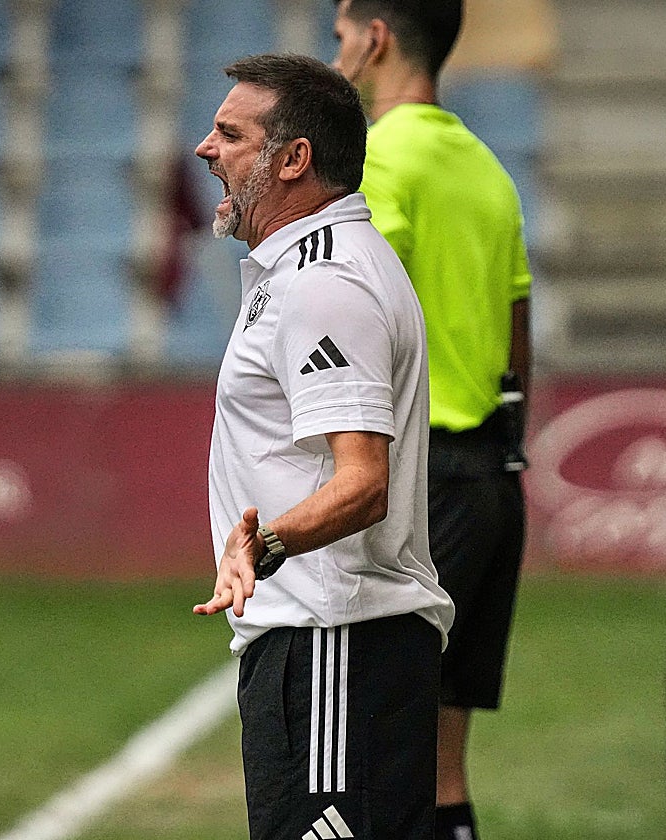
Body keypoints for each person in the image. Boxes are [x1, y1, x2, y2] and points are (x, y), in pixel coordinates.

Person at [191, 53, 454, 840]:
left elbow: (362, 481)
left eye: (230, 134)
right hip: (323, 644)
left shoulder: (323, 283)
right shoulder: (306, 270)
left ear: (294, 159)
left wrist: (265, 544)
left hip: (335, 644)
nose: (205, 148)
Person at [331, 3, 532, 839]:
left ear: (375, 36)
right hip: (493, 480)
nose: (334, 49)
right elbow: (521, 335)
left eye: (340, 30)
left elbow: (358, 312)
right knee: (444, 764)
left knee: (373, 760)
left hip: (424, 487)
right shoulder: (489, 169)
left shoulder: (378, 157)